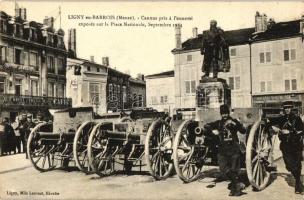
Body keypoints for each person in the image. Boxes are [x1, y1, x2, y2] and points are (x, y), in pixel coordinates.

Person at [204, 104, 246, 196]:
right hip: (222, 149)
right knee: (223, 168)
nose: (225, 115)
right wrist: (212, 130)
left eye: (226, 113)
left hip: (233, 148)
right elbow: (206, 125)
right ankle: (237, 185)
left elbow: (243, 131)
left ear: (228, 113)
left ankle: (235, 189)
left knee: (234, 169)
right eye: (223, 114)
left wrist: (238, 124)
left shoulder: (234, 121)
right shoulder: (218, 123)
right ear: (221, 114)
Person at [269, 100, 304, 194]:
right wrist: (271, 125)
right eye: (285, 108)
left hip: (296, 145)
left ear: (291, 108)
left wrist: (290, 132)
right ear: (283, 109)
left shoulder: (297, 119)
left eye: (289, 108)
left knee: (297, 165)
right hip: (285, 146)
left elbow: (302, 131)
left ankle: (298, 184)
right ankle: (298, 180)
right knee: (289, 165)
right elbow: (270, 122)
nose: (287, 110)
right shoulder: (281, 119)